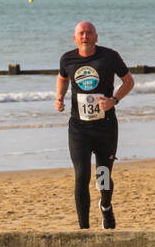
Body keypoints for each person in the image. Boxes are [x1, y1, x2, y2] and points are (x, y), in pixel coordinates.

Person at [55, 21, 134, 229]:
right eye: (81, 33)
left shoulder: (109, 57)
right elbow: (62, 78)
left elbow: (128, 82)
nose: (85, 36)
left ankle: (106, 206)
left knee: (103, 175)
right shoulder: (67, 59)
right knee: (81, 175)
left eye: (89, 33)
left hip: (105, 127)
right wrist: (59, 97)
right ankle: (84, 229)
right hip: (79, 128)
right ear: (75, 38)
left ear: (96, 37)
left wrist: (113, 101)